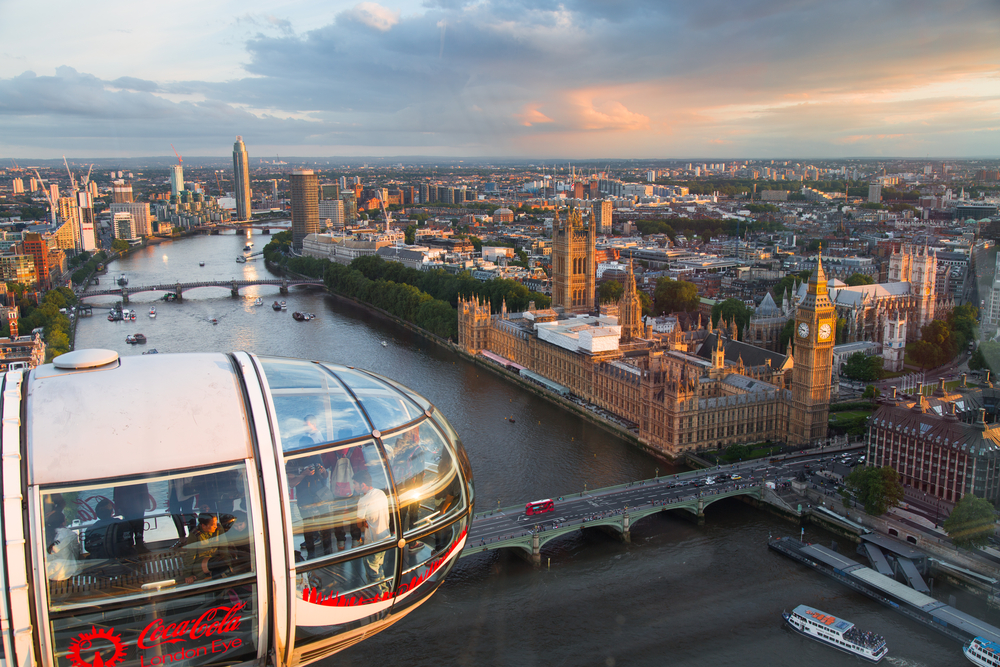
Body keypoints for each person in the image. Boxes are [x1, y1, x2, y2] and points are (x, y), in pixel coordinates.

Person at [287, 453, 332, 558]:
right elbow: (292, 483)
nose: (309, 455)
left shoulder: (316, 456)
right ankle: (310, 552)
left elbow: (325, 476)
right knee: (308, 526)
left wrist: (323, 471)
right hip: (305, 498)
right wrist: (304, 474)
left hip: (320, 495)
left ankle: (328, 551)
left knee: (326, 523)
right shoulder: (293, 461)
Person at [354, 470, 390, 590]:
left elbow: (359, 524)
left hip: (373, 541)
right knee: (379, 566)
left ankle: (379, 596)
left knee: (372, 569)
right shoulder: (380, 493)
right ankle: (384, 590)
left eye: (355, 484)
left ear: (362, 485)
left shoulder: (363, 501)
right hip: (385, 536)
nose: (353, 486)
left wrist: (363, 521)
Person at [184, 513, 230, 584]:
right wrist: (188, 574)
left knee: (221, 566)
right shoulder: (195, 535)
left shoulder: (218, 529)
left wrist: (229, 564)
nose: (215, 526)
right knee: (219, 564)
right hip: (201, 564)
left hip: (217, 562)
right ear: (203, 526)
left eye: (216, 523)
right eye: (212, 525)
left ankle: (219, 588)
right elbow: (190, 556)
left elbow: (224, 548)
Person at [114, 482, 149, 554]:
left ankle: (137, 545)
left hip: (133, 501)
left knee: (135, 524)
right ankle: (135, 546)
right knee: (130, 525)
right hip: (131, 502)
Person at [46, 511, 81, 581]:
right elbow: (76, 553)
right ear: (63, 522)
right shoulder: (70, 535)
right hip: (65, 573)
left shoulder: (45, 535)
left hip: (47, 574)